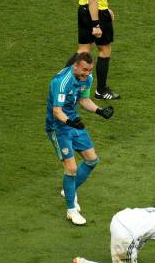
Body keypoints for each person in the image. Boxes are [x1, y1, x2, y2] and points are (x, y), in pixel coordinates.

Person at [46, 52, 114, 225]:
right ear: (75, 66)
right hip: (59, 127)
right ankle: (71, 210)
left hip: (74, 123)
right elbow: (57, 111)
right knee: (71, 168)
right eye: (84, 69)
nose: (87, 73)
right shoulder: (61, 82)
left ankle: (69, 189)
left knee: (92, 160)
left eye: (90, 70)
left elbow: (84, 100)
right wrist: (70, 122)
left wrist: (100, 111)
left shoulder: (87, 79)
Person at [73, 0, 119, 100]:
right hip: (96, 14)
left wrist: (107, 8)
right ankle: (101, 90)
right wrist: (97, 24)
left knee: (83, 50)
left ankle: (62, 83)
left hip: (83, 10)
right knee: (104, 50)